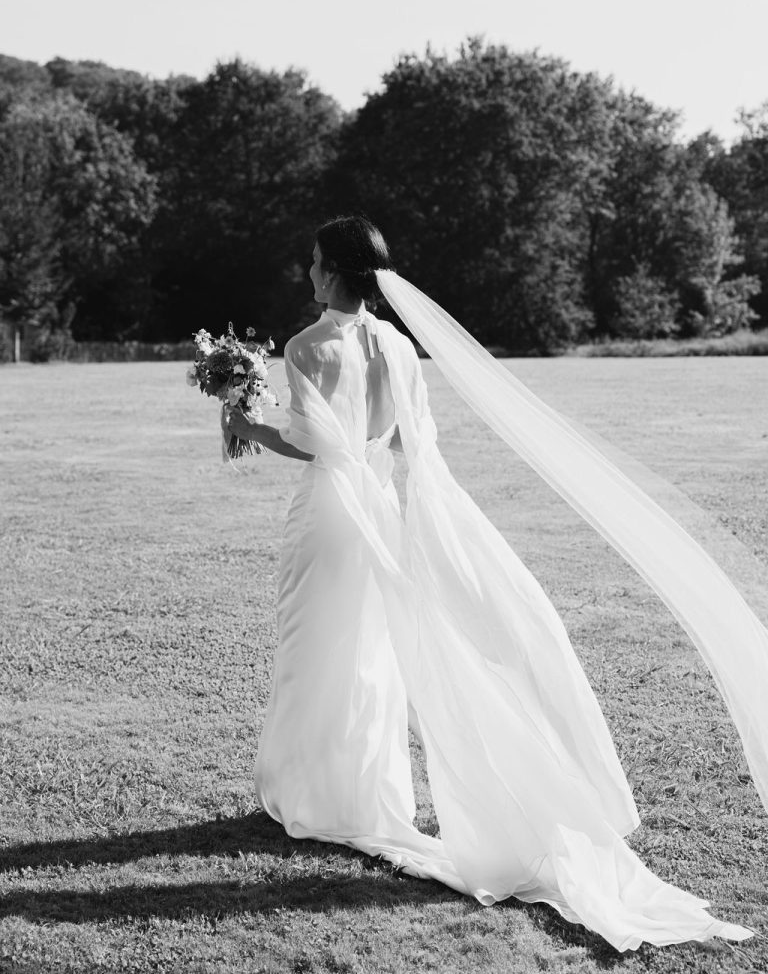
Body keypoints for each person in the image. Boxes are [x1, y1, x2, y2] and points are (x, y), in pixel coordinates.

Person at [226, 215, 758, 952]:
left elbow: (315, 443)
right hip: (382, 506)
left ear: (337, 272)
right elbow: (405, 442)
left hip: (329, 516)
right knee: (373, 656)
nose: (308, 272)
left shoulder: (307, 345)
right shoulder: (399, 347)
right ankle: (364, 794)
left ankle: (313, 795)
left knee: (315, 645)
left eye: (315, 263)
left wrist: (243, 420)